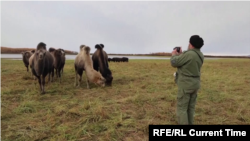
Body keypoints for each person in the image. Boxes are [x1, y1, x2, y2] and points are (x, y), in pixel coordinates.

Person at [170, 35, 204, 125]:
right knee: (190, 108)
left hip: (186, 86)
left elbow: (174, 62)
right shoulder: (199, 55)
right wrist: (181, 54)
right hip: (195, 85)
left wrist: (174, 55)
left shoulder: (189, 54)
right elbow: (187, 62)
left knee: (182, 108)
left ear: (191, 44)